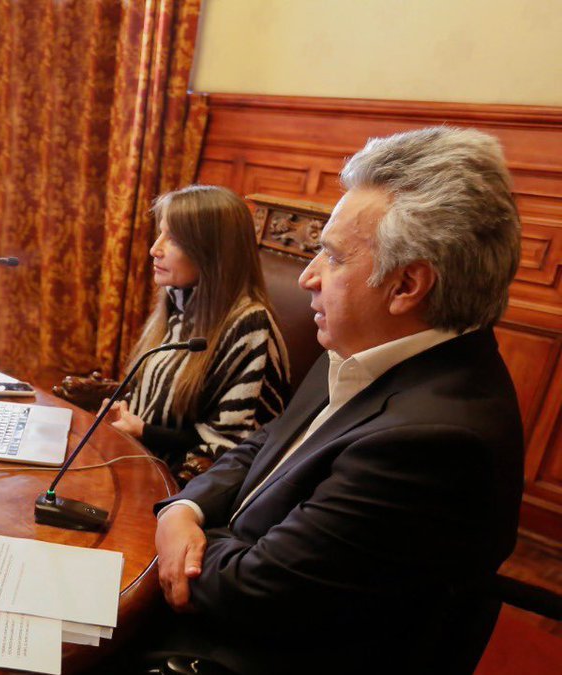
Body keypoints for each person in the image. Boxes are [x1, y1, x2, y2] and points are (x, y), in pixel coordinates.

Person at [149, 127, 524, 674]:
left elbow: (250, 595)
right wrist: (185, 505)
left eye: (332, 258)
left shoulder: (434, 443)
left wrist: (183, 535)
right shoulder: (364, 349)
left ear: (406, 286)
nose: (307, 278)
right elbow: (264, 444)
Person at [105, 185, 289, 484]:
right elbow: (152, 402)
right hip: (137, 462)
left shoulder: (249, 325)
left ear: (213, 253)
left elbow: (233, 449)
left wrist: (144, 432)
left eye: (174, 239)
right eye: (161, 233)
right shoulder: (179, 302)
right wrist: (121, 412)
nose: (155, 248)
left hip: (180, 490)